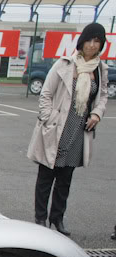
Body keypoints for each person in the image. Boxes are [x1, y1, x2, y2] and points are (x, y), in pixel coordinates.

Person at [27, 23, 108, 236]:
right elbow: (45, 93)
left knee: (65, 180)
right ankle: (40, 218)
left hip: (78, 132)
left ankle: (57, 219)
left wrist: (97, 113)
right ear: (81, 42)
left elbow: (103, 96)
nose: (92, 45)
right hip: (56, 129)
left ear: (102, 45)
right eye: (89, 40)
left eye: (97, 41)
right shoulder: (64, 64)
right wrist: (49, 118)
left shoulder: (100, 70)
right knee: (46, 177)